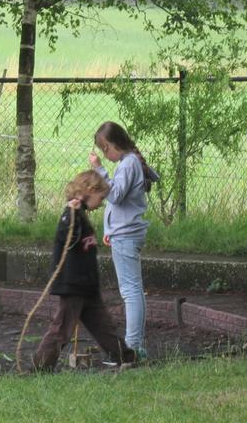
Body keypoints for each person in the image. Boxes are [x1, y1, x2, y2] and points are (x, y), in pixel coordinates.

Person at [33, 170, 136, 371]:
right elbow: (67, 237)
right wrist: (70, 213)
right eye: (101, 198)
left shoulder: (81, 214)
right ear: (90, 190)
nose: (102, 203)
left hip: (87, 286)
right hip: (73, 284)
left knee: (103, 326)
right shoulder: (71, 215)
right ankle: (42, 365)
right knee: (62, 328)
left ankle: (126, 358)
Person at [88, 121, 159, 361]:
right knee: (132, 290)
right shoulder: (129, 162)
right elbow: (121, 202)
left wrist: (99, 169)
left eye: (105, 149)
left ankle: (133, 347)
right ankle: (134, 346)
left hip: (126, 235)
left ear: (113, 144)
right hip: (123, 233)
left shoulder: (128, 164)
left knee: (130, 292)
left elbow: (116, 195)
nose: (104, 154)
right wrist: (110, 228)